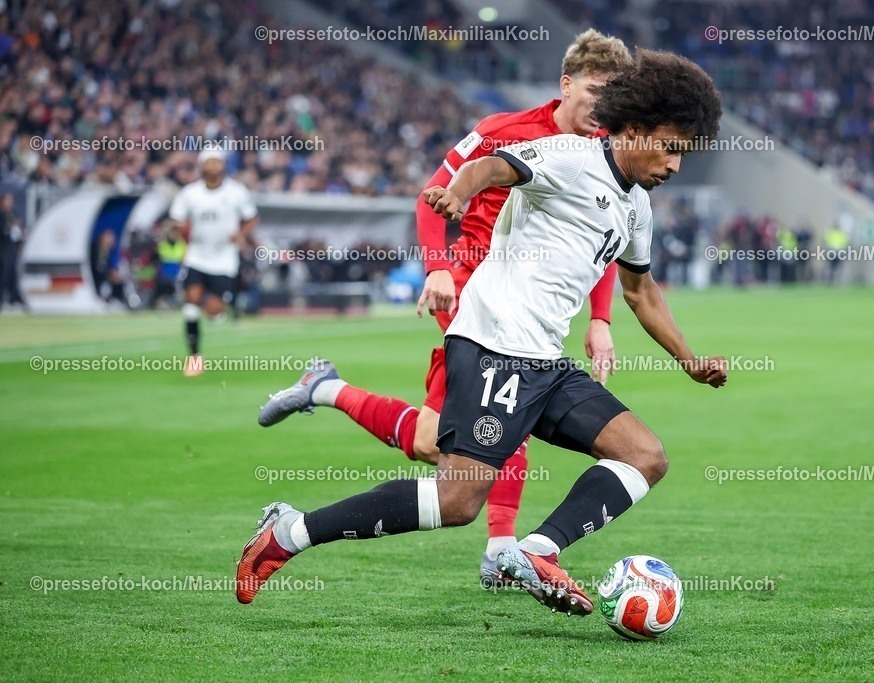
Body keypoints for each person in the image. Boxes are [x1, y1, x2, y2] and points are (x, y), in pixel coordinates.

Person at [236, 49, 728, 616]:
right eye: (669, 148)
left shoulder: (637, 206)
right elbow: (493, 167)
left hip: (543, 359)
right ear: (636, 129)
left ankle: (537, 552)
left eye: (684, 154)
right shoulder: (569, 156)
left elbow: (641, 291)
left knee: (645, 456)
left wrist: (689, 360)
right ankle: (290, 532)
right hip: (492, 345)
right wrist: (462, 194)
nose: (674, 166)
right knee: (457, 500)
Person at [168, 147, 258, 376]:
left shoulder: (236, 192)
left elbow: (251, 218)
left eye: (217, 162)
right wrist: (179, 230)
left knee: (214, 310)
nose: (213, 167)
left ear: (223, 165)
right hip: (197, 256)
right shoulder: (189, 194)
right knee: (190, 304)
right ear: (202, 166)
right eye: (209, 163)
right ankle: (194, 357)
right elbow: (177, 220)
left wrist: (240, 235)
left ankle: (215, 307)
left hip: (224, 259)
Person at [0, 193, 25, 307]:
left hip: (11, 249)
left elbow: (18, 229)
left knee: (12, 274)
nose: (10, 203)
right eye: (8, 200)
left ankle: (13, 298)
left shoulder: (12, 214)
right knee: (3, 275)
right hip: (3, 249)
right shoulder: (2, 215)